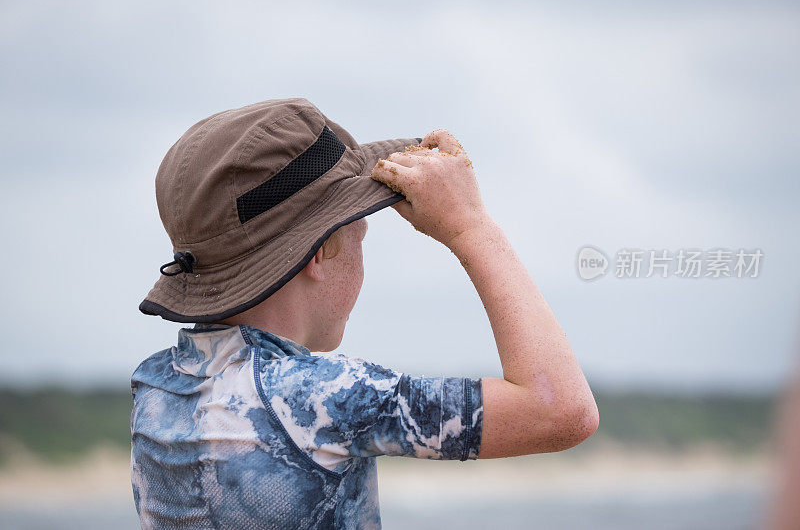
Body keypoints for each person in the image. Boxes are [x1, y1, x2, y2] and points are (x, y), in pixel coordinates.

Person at [130, 98, 599, 529]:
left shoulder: (154, 388)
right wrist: (470, 227)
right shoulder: (320, 397)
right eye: (359, 230)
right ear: (317, 252)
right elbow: (560, 410)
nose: (362, 245)